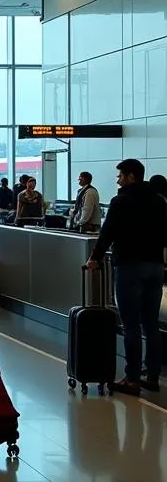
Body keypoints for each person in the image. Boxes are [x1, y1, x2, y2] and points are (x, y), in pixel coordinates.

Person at [86, 158, 167, 396]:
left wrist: (95, 258)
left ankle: (131, 379)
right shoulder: (159, 201)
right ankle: (152, 375)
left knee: (131, 324)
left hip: (130, 267)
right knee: (150, 323)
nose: (118, 180)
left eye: (120, 175)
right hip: (155, 266)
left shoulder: (120, 201)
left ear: (131, 176)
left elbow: (108, 232)